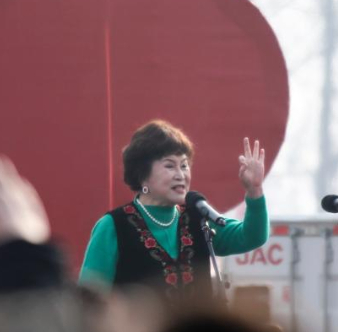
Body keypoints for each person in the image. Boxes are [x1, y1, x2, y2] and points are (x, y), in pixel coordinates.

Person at [79, 120, 269, 301]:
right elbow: (88, 301)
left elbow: (252, 236)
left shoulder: (198, 219)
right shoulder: (114, 226)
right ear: (142, 175)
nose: (181, 175)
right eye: (170, 166)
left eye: (184, 165)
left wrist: (255, 191)